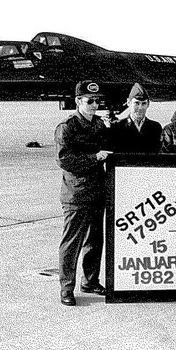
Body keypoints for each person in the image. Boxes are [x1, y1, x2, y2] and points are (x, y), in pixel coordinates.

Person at [53, 80, 112, 306]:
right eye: (90, 101)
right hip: (76, 194)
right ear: (78, 101)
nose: (95, 105)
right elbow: (64, 159)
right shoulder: (67, 127)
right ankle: (66, 288)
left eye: (97, 101)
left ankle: (90, 281)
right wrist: (93, 158)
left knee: (95, 241)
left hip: (97, 191)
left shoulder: (99, 125)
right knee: (71, 243)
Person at [108, 83, 163, 153]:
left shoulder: (155, 127)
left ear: (148, 104)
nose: (140, 108)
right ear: (128, 102)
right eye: (136, 103)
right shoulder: (117, 127)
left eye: (143, 103)